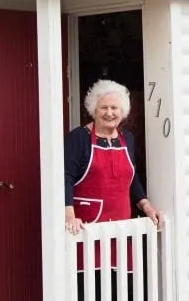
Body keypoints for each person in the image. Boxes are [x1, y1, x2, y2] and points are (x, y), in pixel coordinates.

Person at [64, 79, 163, 300]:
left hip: (120, 230)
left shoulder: (126, 139)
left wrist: (147, 206)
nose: (109, 113)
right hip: (87, 231)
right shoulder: (78, 138)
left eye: (114, 108)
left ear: (123, 111)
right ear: (93, 110)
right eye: (104, 108)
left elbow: (132, 178)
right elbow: (65, 176)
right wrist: (69, 214)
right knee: (92, 289)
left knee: (122, 289)